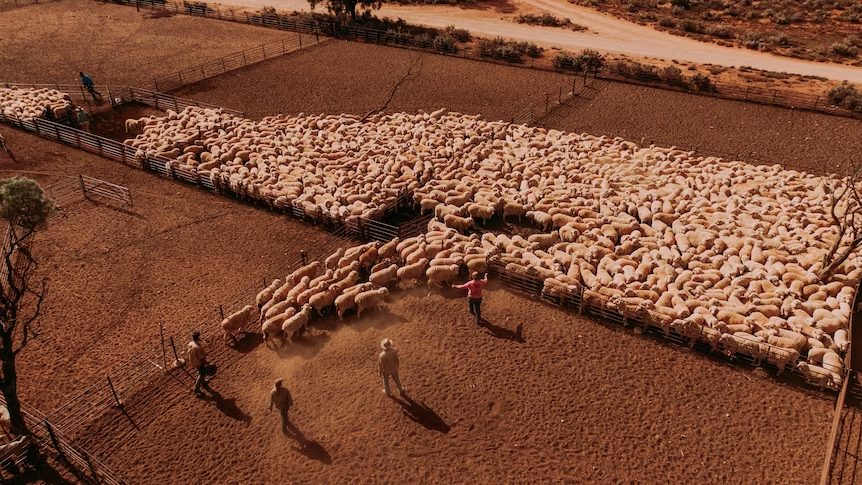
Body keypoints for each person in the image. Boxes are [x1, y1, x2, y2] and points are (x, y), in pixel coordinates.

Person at [187, 331, 210, 396]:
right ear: (198, 338)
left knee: (200, 371)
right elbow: (202, 357)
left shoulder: (190, 343)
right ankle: (196, 388)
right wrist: (206, 363)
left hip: (192, 360)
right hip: (198, 362)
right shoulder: (198, 347)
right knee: (202, 374)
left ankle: (203, 382)